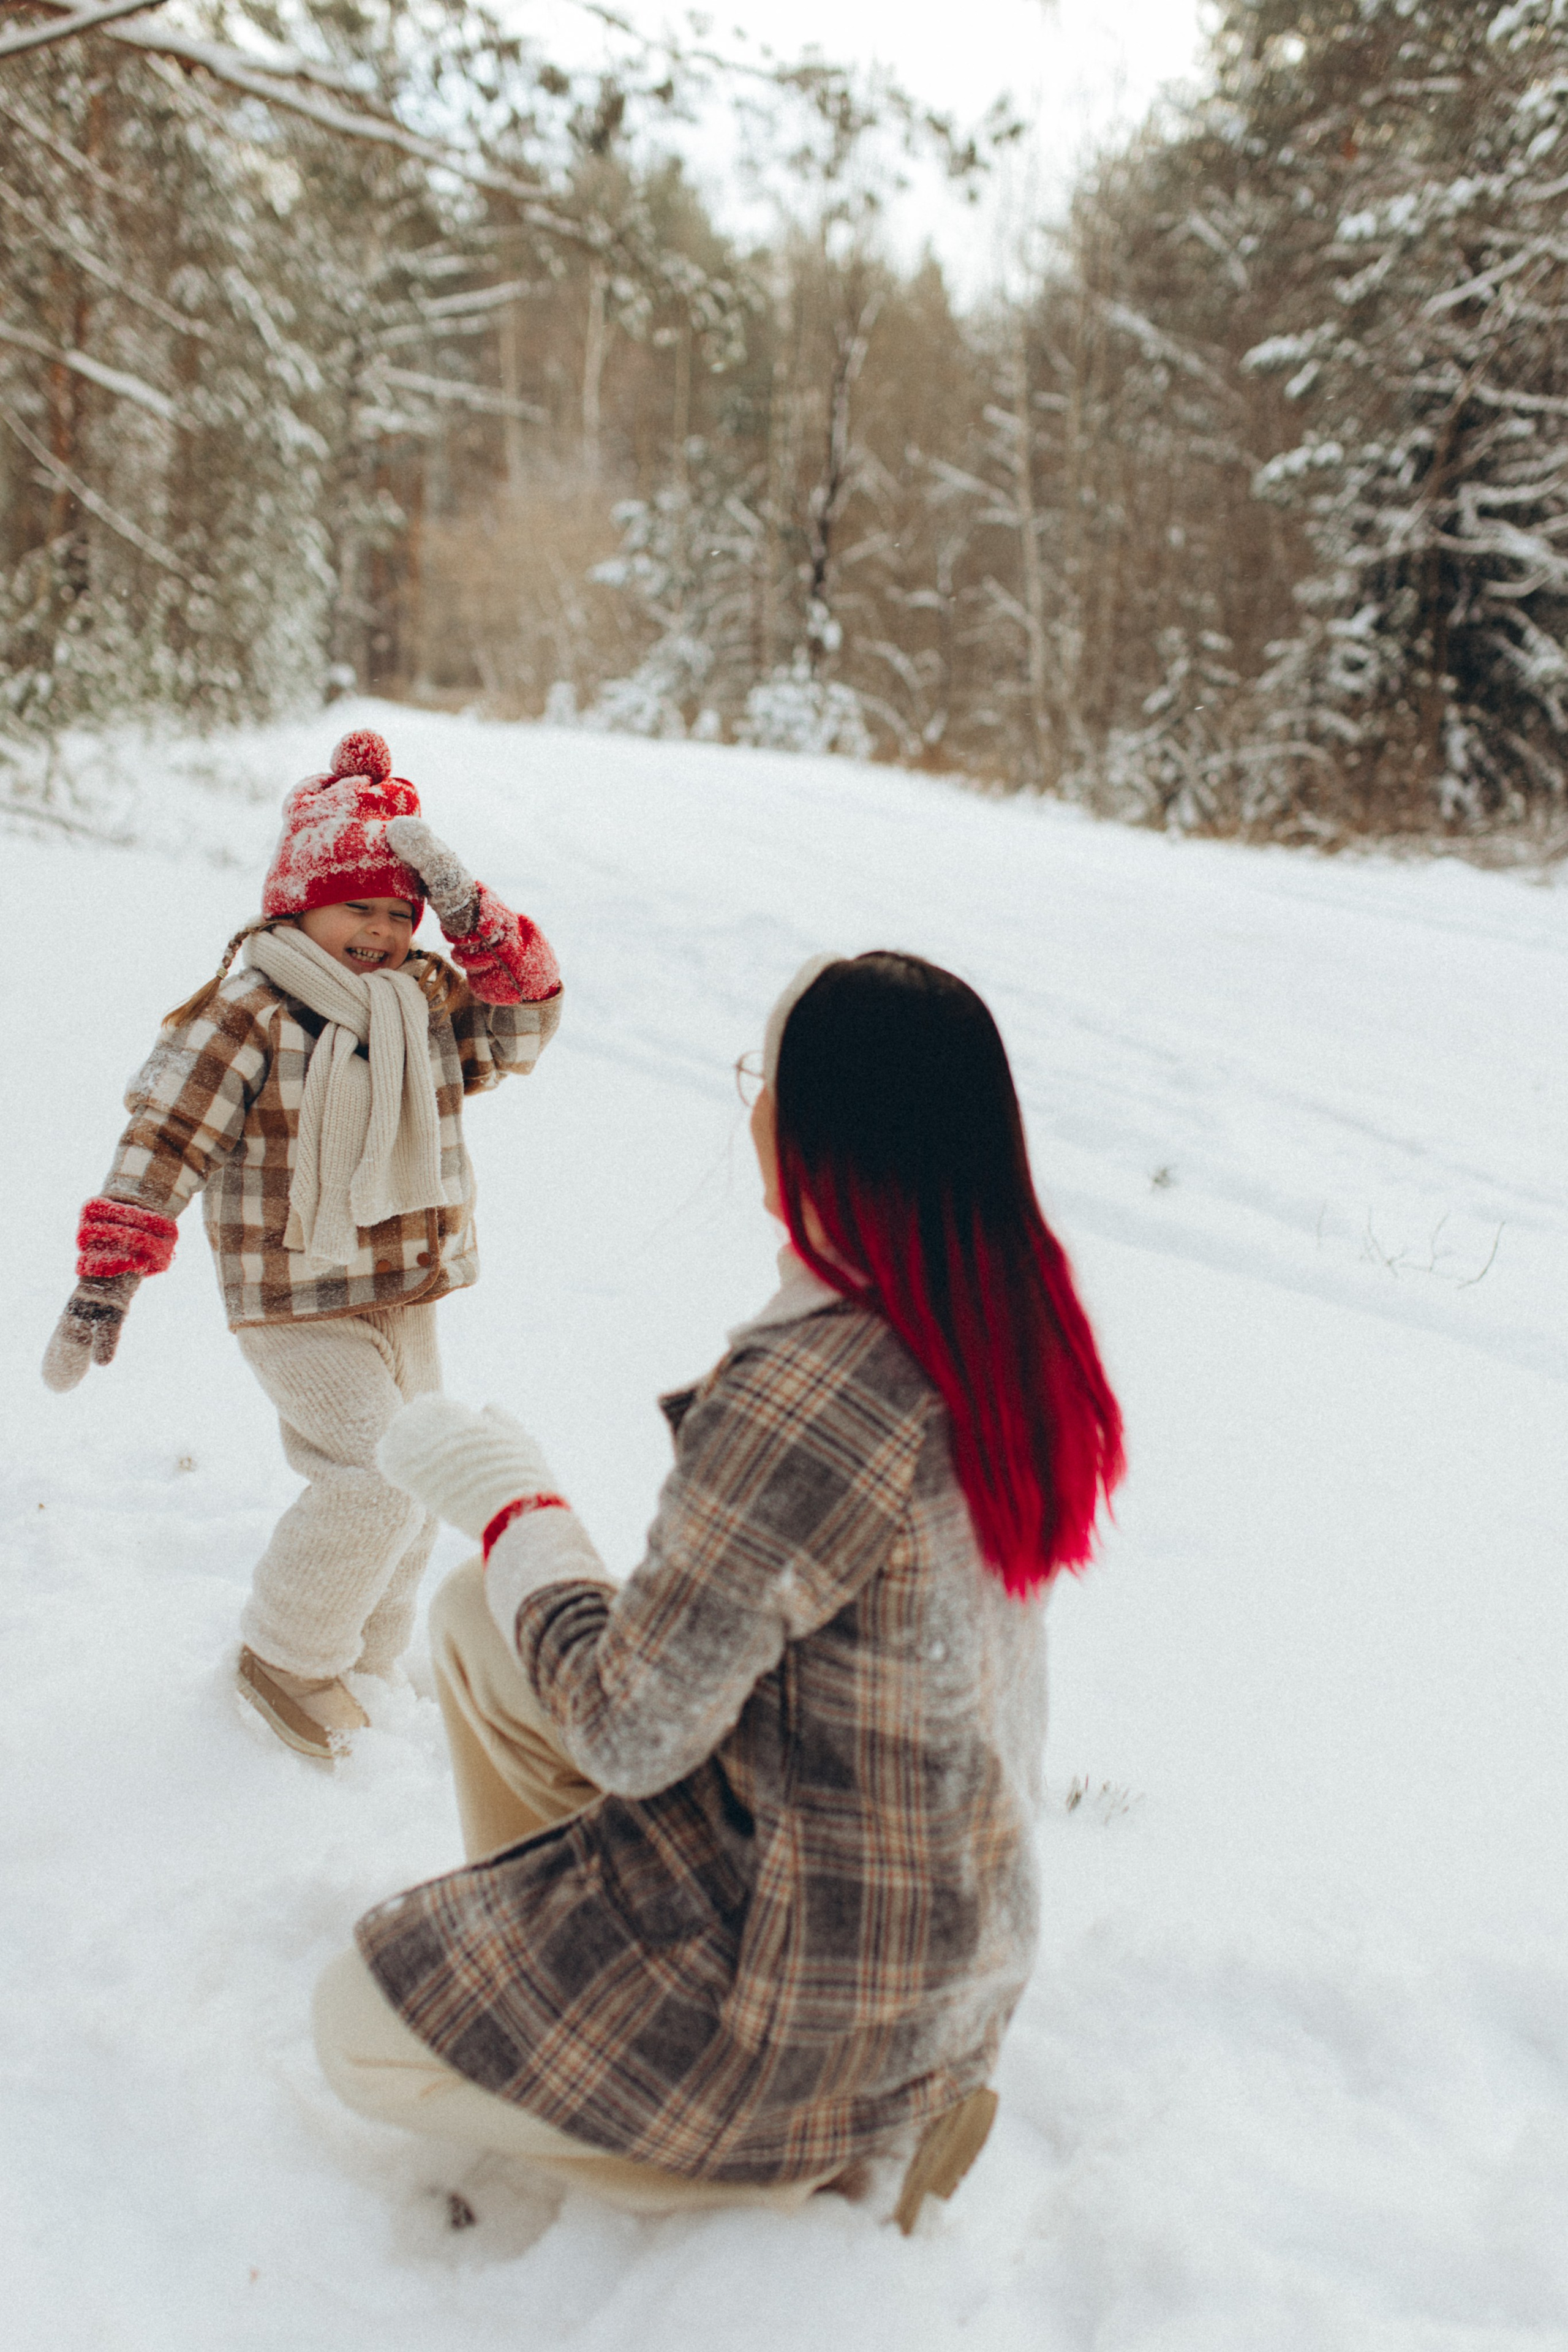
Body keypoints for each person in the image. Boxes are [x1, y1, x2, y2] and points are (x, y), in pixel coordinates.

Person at [312, 951, 1123, 2226]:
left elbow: (628, 1731)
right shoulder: (992, 1315)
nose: (748, 1108)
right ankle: (580, 1992)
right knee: (481, 1618)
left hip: (818, 1994)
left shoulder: (808, 1392)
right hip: (943, 1924)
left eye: (765, 1080)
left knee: (353, 2022)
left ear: (820, 1132)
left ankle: (768, 2162)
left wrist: (515, 1502)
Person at [41, 728, 562, 1762]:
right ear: (296, 902)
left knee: (421, 1482)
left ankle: (366, 1663)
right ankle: (284, 1659)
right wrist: (108, 1281)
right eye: (354, 906)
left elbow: (525, 1026)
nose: (375, 931)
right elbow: (167, 1133)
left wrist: (476, 919)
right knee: (373, 1478)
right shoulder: (249, 1011)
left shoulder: (423, 1003)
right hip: (294, 1294)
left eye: (396, 912)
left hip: (401, 1286)